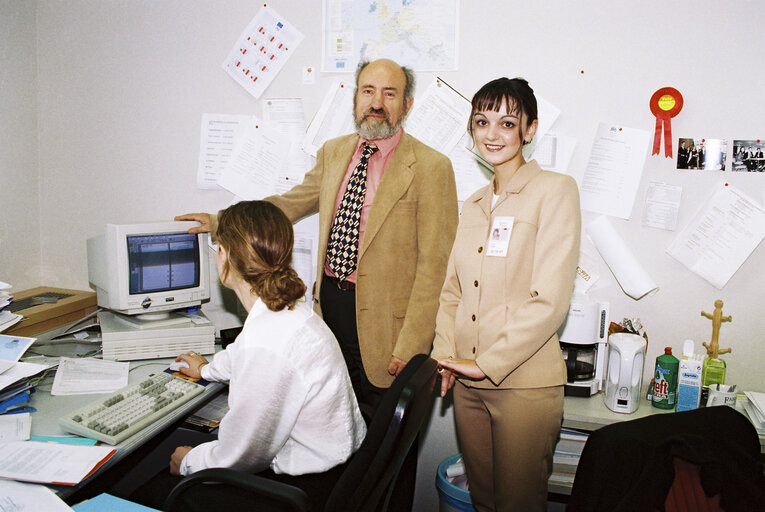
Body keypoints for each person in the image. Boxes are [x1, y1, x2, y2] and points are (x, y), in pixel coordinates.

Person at [177, 58, 458, 412]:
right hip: (330, 311)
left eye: (390, 94)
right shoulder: (334, 151)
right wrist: (222, 221)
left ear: (407, 105)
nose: (376, 103)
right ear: (356, 98)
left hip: (389, 328)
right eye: (368, 91)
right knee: (333, 417)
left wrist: (412, 346)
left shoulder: (432, 167)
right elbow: (291, 203)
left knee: (386, 437)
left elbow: (436, 267)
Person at [131, 201, 366, 511]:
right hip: (340, 469)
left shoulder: (266, 342)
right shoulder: (290, 312)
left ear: (225, 255)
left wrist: (188, 461)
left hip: (303, 489)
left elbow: (242, 455)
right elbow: (246, 352)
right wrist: (206, 370)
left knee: (148, 492)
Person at [432, 77, 581, 511]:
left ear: (529, 130)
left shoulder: (555, 191)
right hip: (466, 383)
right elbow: (452, 292)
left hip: (524, 387)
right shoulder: (475, 203)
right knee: (483, 502)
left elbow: (549, 300)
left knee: (519, 505)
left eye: (507, 122)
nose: (492, 134)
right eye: (482, 121)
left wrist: (485, 364)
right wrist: (446, 356)